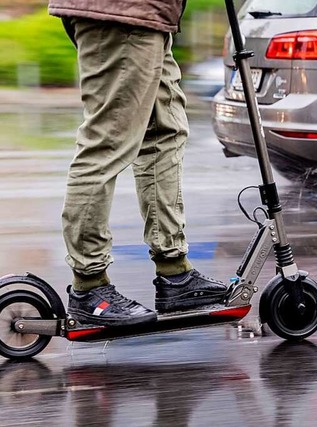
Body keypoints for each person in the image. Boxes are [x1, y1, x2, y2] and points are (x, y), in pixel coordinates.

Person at [48, 0, 228, 327]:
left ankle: (175, 273)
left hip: (151, 14)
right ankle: (89, 286)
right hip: (122, 11)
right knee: (108, 140)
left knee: (164, 132)